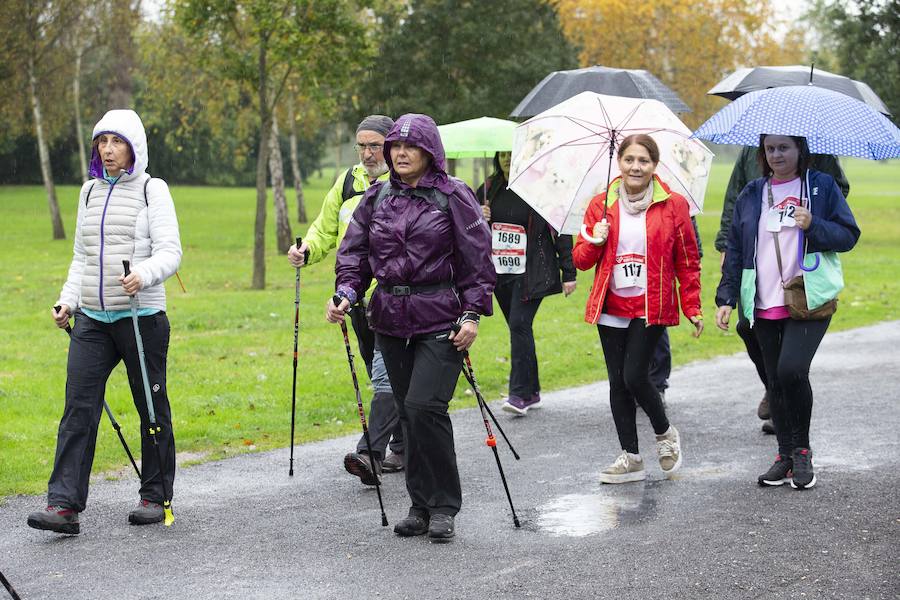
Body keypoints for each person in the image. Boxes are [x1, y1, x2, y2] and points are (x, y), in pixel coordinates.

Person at [328, 113, 495, 541]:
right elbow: (354, 253)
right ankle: (419, 506)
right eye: (395, 147)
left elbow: (478, 262)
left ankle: (443, 506)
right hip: (389, 318)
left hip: (442, 318)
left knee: (425, 408)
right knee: (407, 413)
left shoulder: (454, 196)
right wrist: (346, 292)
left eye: (411, 147)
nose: (400, 154)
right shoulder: (377, 198)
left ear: (429, 152)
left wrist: (473, 313)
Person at [27, 109, 182, 534]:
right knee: (78, 409)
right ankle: (63, 506)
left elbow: (171, 252)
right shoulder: (89, 192)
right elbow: (82, 257)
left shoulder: (154, 190)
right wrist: (67, 301)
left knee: (150, 407)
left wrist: (143, 274)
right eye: (102, 141)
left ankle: (155, 495)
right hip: (93, 320)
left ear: (134, 147)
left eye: (117, 142)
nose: (108, 150)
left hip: (141, 317)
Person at [715, 135, 859, 489]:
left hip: (807, 297)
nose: (776, 155)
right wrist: (726, 297)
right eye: (770, 148)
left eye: (784, 147)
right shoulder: (753, 193)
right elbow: (735, 248)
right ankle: (784, 456)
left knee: (792, 370)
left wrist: (814, 225)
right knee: (775, 379)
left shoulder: (820, 187)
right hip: (763, 299)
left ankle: (803, 452)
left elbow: (848, 235)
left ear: (800, 150)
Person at [572, 134, 702, 484]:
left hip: (651, 304)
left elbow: (688, 260)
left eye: (643, 160)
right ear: (620, 163)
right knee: (617, 382)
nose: (635, 166)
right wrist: (594, 240)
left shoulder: (673, 205)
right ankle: (630, 457)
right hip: (610, 304)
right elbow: (580, 261)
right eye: (629, 159)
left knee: (635, 376)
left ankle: (665, 433)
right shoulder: (600, 205)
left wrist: (693, 305)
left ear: (653, 166)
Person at [288, 115, 404, 486]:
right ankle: (403, 445)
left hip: (394, 298)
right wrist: (307, 249)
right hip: (355, 297)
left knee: (387, 375)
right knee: (379, 373)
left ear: (389, 146)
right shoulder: (348, 181)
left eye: (375, 146)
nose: (368, 153)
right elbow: (326, 228)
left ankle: (371, 451)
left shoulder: (401, 182)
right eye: (362, 145)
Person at [476, 151, 576, 416]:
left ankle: (519, 394)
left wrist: (569, 272)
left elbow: (561, 228)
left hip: (533, 270)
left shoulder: (540, 188)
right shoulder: (488, 188)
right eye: (502, 154)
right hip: (500, 273)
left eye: (512, 153)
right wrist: (480, 215)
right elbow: (469, 226)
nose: (507, 158)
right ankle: (532, 391)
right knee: (520, 329)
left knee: (520, 326)